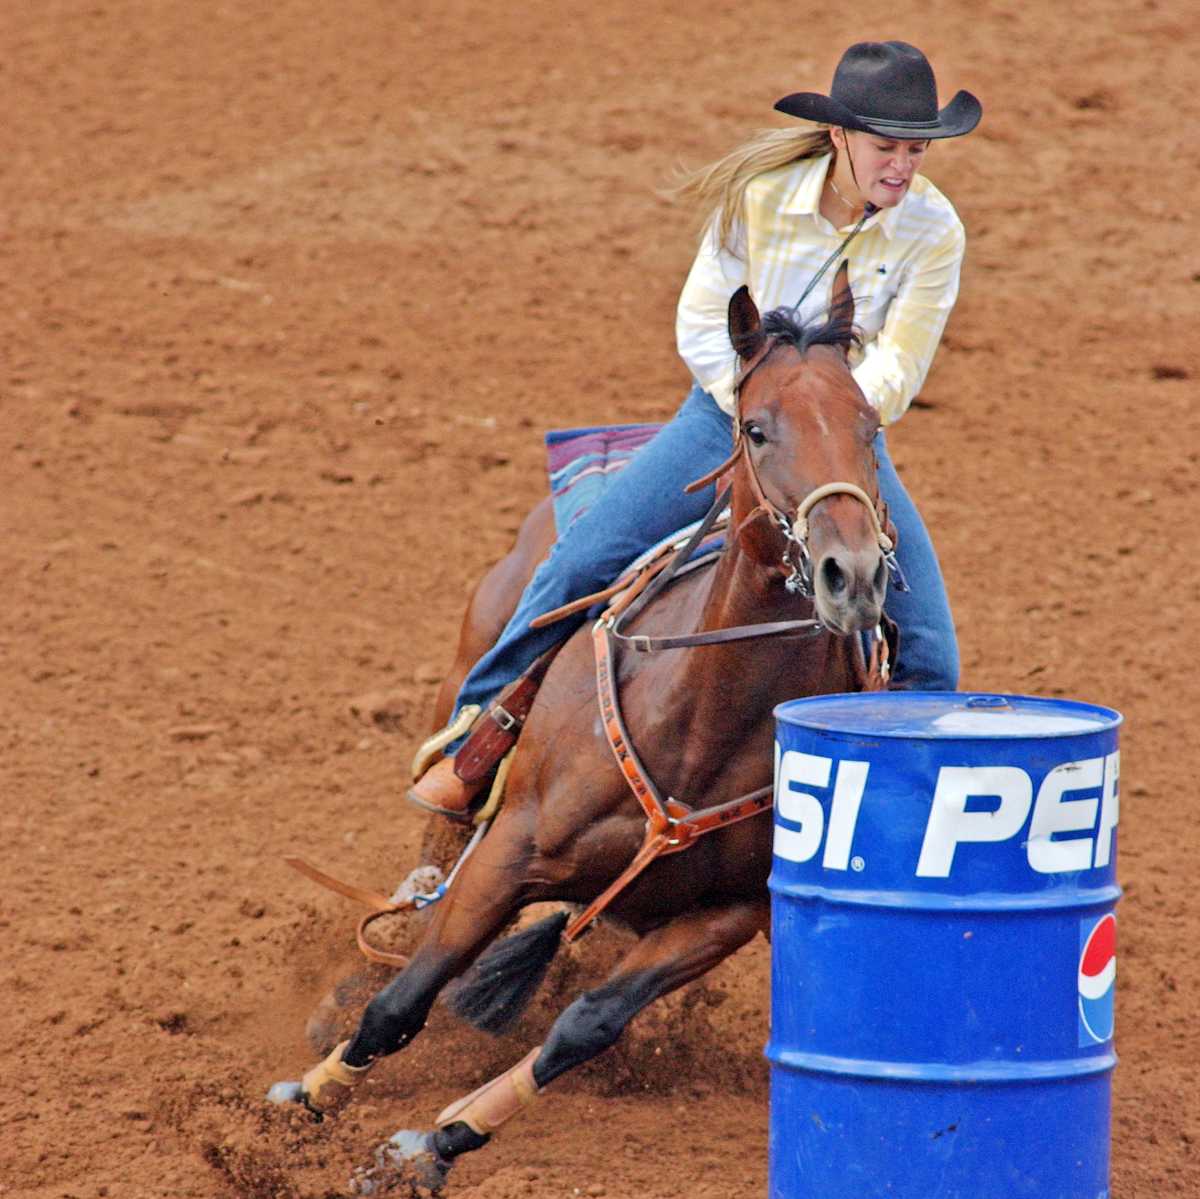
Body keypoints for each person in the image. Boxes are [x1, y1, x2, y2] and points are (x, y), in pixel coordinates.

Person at [409, 40, 982, 819]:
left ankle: (877, 823)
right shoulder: (762, 196)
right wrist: (763, 407)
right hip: (725, 417)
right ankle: (472, 742)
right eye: (888, 148)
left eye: (917, 150)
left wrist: (820, 416)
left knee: (931, 652)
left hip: (839, 446)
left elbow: (900, 368)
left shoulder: (934, 232)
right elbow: (703, 322)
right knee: (577, 567)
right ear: (841, 139)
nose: (905, 169)